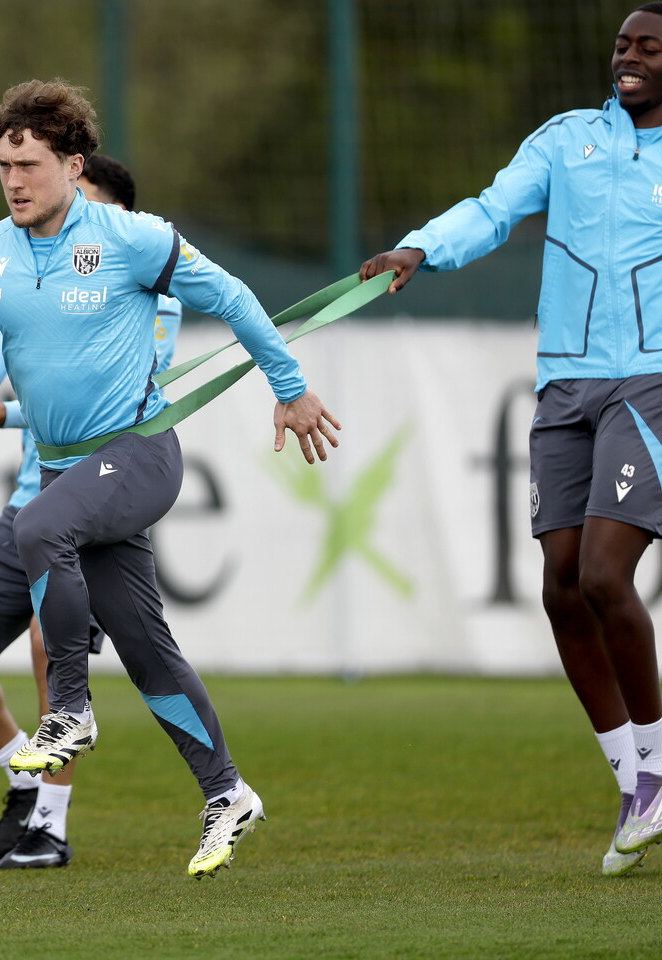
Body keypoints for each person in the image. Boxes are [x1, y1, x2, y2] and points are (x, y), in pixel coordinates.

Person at [0, 80, 339, 878]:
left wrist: (291, 389)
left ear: (73, 164)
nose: (14, 181)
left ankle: (70, 710)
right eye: (4, 166)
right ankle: (227, 792)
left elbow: (234, 299)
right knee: (147, 647)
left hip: (140, 451)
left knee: (37, 525)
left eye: (29, 164)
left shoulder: (132, 237)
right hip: (68, 468)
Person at [360, 2, 662, 878]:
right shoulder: (567, 139)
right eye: (623, 44)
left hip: (650, 380)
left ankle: (657, 768)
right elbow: (492, 209)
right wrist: (419, 249)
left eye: (650, 47)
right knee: (561, 587)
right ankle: (633, 786)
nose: (630, 57)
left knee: (604, 575)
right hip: (564, 382)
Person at [0, 154, 182, 869]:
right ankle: (24, 779)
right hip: (27, 504)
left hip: (92, 500)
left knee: (43, 643)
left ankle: (50, 829)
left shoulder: (149, 292)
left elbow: (112, 395)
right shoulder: (31, 272)